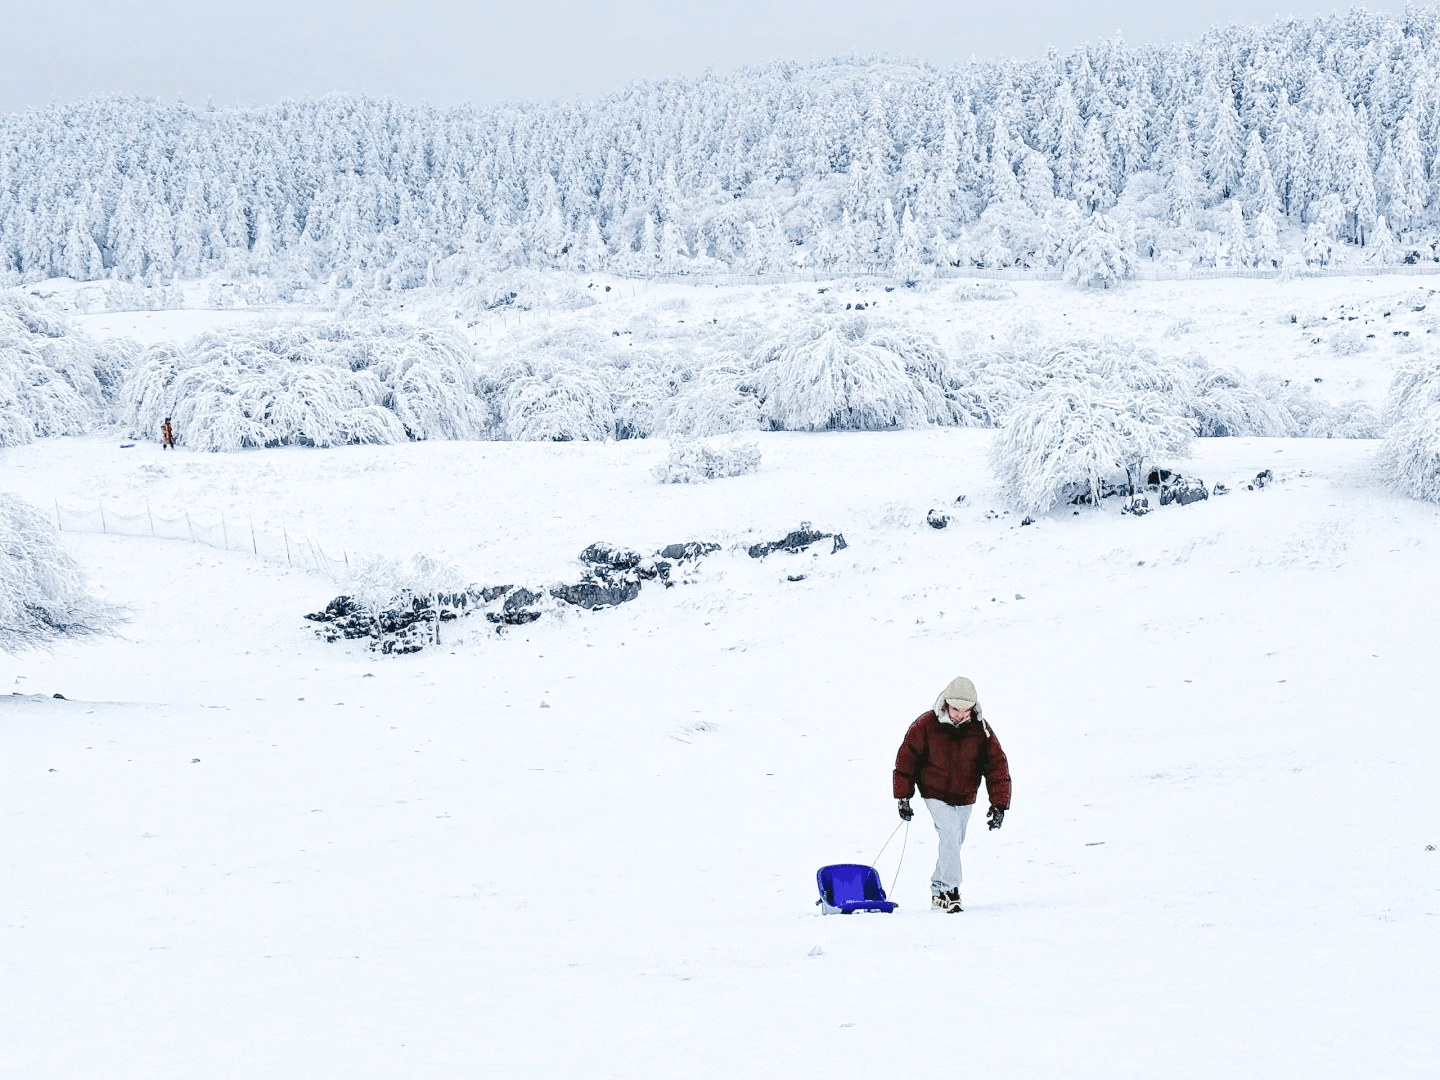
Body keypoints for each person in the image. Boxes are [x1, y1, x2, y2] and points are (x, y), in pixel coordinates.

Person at [892, 676, 1011, 912]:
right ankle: (950, 890)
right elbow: (907, 759)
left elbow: (996, 765)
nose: (959, 714)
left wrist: (999, 804)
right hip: (934, 792)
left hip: (965, 794)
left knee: (954, 841)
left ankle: (937, 888)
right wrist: (903, 797)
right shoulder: (925, 725)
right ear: (946, 702)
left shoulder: (981, 729)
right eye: (955, 708)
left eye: (965, 710)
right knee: (949, 834)